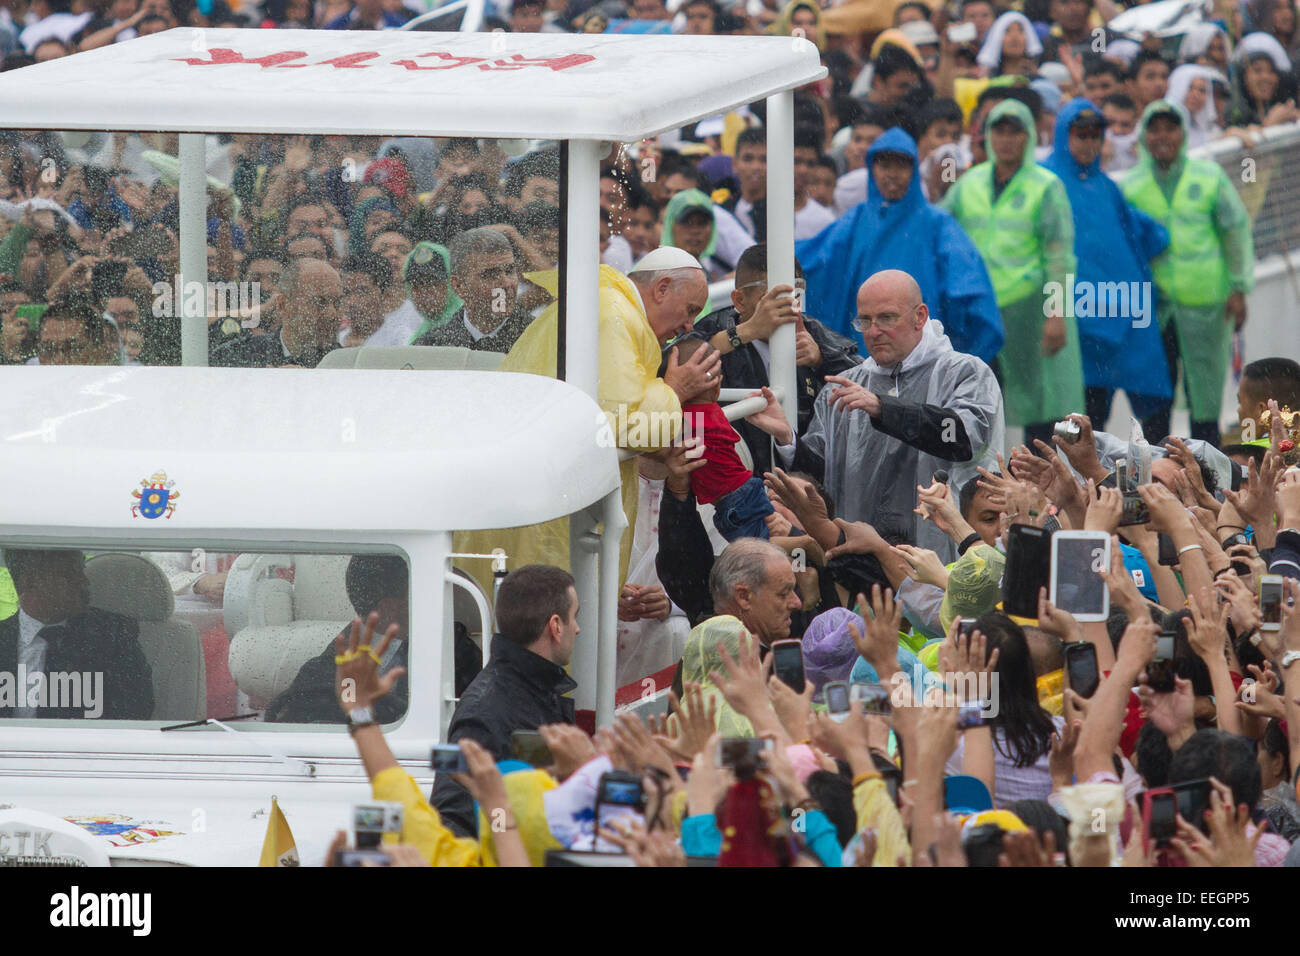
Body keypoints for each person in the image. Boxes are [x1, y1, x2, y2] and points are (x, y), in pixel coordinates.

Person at [766, 269, 1005, 563]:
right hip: (862, 565)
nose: (873, 331)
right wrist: (787, 440)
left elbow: (962, 437)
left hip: (943, 566)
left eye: (887, 318)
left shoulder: (966, 373)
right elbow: (824, 476)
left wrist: (883, 408)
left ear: (920, 316)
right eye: (865, 320)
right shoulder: (841, 389)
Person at [798, 127, 1003, 366]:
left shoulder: (936, 223)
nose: (892, 175)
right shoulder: (857, 220)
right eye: (885, 166)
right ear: (872, 169)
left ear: (913, 170)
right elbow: (818, 261)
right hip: (865, 343)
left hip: (923, 351)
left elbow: (967, 284)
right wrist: (769, 261)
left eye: (900, 167)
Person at [942, 97, 1082, 446]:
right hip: (982, 314)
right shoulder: (968, 184)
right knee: (983, 404)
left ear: (1029, 136)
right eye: (998, 130)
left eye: (1014, 131)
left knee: (1043, 408)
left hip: (1031, 312)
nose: (1006, 139)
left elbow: (1059, 256)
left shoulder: (1046, 186)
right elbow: (942, 232)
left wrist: (1056, 314)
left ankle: (1046, 493)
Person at [1121, 100, 1255, 444]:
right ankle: (1159, 477)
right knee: (1155, 396)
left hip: (1207, 304)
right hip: (1155, 309)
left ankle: (1207, 476)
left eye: (1170, 128)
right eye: (1154, 129)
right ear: (1144, 136)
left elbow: (1235, 232)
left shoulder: (1208, 176)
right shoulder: (1130, 186)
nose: (1163, 136)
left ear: (1183, 132)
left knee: (1205, 398)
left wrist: (1239, 288)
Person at [1041, 98, 1173, 438]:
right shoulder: (1047, 183)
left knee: (1154, 409)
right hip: (1081, 321)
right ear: (1063, 135)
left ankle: (1158, 485)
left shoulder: (1105, 185)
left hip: (1126, 316)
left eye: (1095, 135)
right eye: (1080, 134)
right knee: (1087, 417)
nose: (1088, 143)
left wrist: (1158, 236)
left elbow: (1131, 229)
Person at [681, 242, 860, 477]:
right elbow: (673, 364)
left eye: (793, 296)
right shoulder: (715, 329)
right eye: (771, 298)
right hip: (732, 485)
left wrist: (820, 360)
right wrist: (746, 332)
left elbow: (868, 384)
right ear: (740, 300)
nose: (786, 307)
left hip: (806, 484)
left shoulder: (816, 336)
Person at [431, 564, 580, 837]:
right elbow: (454, 822)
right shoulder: (485, 712)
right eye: (575, 617)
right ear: (556, 626)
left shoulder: (535, 693)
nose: (578, 629)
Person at [0, 548, 153, 720]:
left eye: (81, 571)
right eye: (68, 575)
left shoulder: (113, 636)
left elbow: (136, 713)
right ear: (28, 582)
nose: (84, 582)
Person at [674, 339, 783, 542]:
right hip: (744, 490)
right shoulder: (714, 414)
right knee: (764, 541)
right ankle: (800, 550)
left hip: (734, 500)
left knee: (755, 550)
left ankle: (803, 544)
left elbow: (654, 440)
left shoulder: (687, 418)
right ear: (717, 389)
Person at [409, 227, 532, 353]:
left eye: (510, 271)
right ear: (458, 286)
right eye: (490, 274)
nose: (506, 283)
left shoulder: (544, 338)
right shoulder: (430, 348)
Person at [211, 257, 342, 368]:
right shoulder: (237, 356)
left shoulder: (349, 364)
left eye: (337, 303)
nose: (332, 314)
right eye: (319, 302)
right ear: (283, 304)